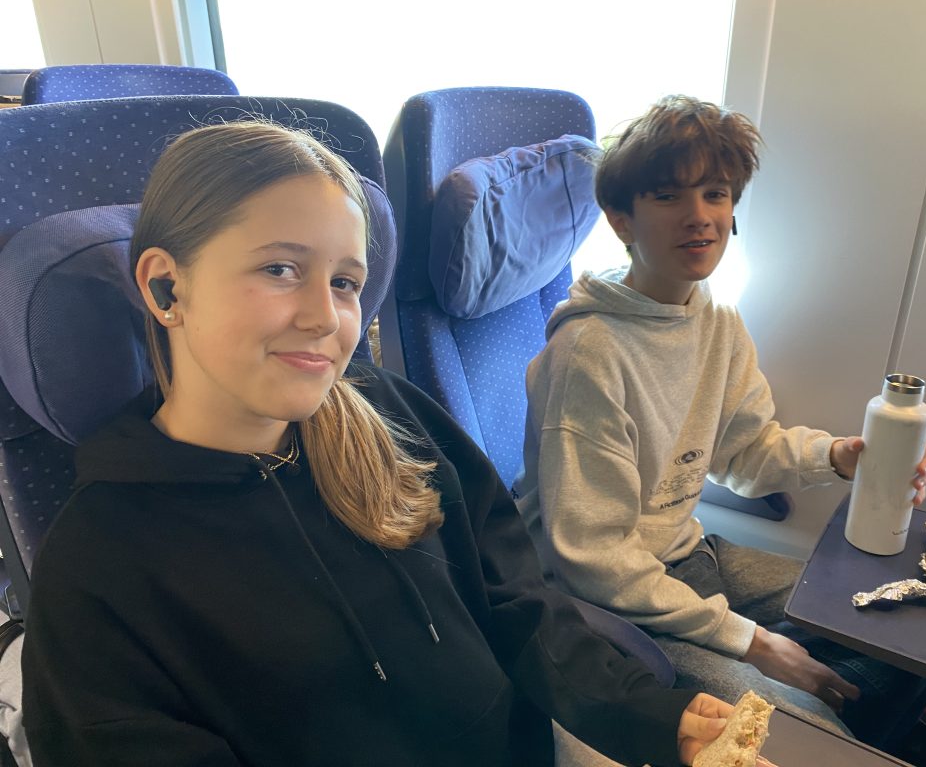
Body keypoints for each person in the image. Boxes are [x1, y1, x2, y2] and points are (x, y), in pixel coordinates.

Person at [19, 119, 740, 767]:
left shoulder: (389, 415)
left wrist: (652, 716)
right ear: (166, 288)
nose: (323, 317)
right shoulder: (99, 567)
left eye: (345, 283)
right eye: (279, 269)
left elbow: (516, 602)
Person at [513, 95, 926, 755]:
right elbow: (594, 559)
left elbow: (744, 452)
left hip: (686, 555)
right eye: (668, 196)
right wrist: (757, 645)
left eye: (715, 193)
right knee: (795, 730)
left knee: (909, 630)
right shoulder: (589, 354)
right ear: (622, 220)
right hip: (604, 599)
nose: (700, 216)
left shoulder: (716, 319)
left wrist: (841, 457)